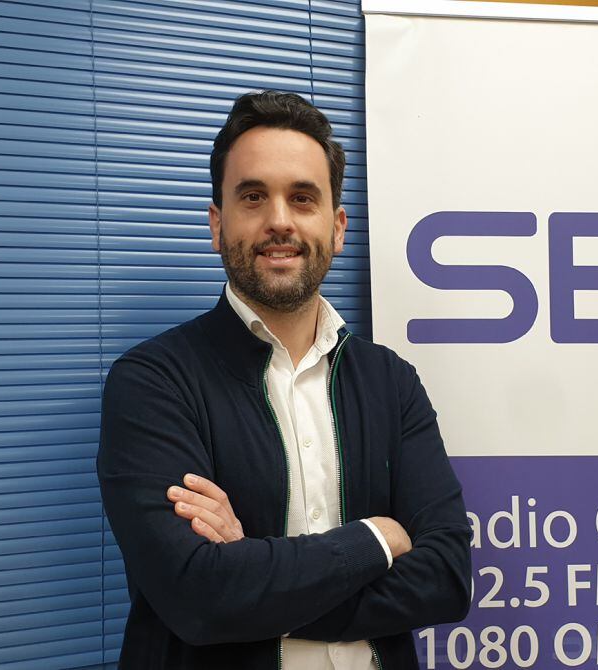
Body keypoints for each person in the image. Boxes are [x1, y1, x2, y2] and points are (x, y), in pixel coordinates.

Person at [97, 90, 472, 669]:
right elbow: (196, 597)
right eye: (253, 197)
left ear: (338, 226)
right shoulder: (153, 382)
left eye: (302, 198)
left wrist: (250, 578)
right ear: (217, 224)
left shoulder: (392, 382)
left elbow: (447, 576)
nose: (279, 220)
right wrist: (375, 538)